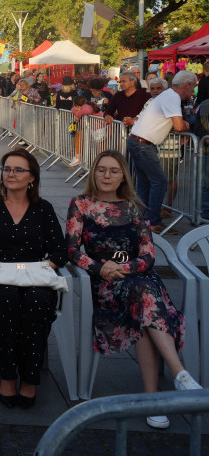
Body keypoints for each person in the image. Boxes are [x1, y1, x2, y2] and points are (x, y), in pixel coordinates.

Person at [66, 151, 202, 428]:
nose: (106, 176)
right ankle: (177, 376)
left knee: (141, 300)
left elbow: (148, 256)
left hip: (137, 278)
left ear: (123, 176)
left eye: (113, 171)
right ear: (93, 173)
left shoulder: (135, 207)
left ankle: (155, 397)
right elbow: (70, 249)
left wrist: (122, 269)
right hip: (103, 283)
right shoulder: (81, 204)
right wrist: (100, 268)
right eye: (101, 170)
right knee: (143, 300)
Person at [0, 149, 68, 409]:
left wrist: (40, 269)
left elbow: (61, 251)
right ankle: (7, 375)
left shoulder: (43, 209)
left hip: (34, 278)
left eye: (18, 170)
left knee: (37, 300)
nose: (11, 174)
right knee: (6, 298)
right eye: (7, 168)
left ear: (32, 177)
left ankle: (29, 379)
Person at [126, 70, 197, 234]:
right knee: (160, 182)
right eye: (192, 87)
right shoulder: (172, 97)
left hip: (138, 141)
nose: (193, 92)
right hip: (143, 143)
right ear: (186, 85)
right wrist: (186, 125)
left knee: (145, 183)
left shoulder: (168, 96)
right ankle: (154, 222)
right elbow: (179, 126)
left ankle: (142, 219)